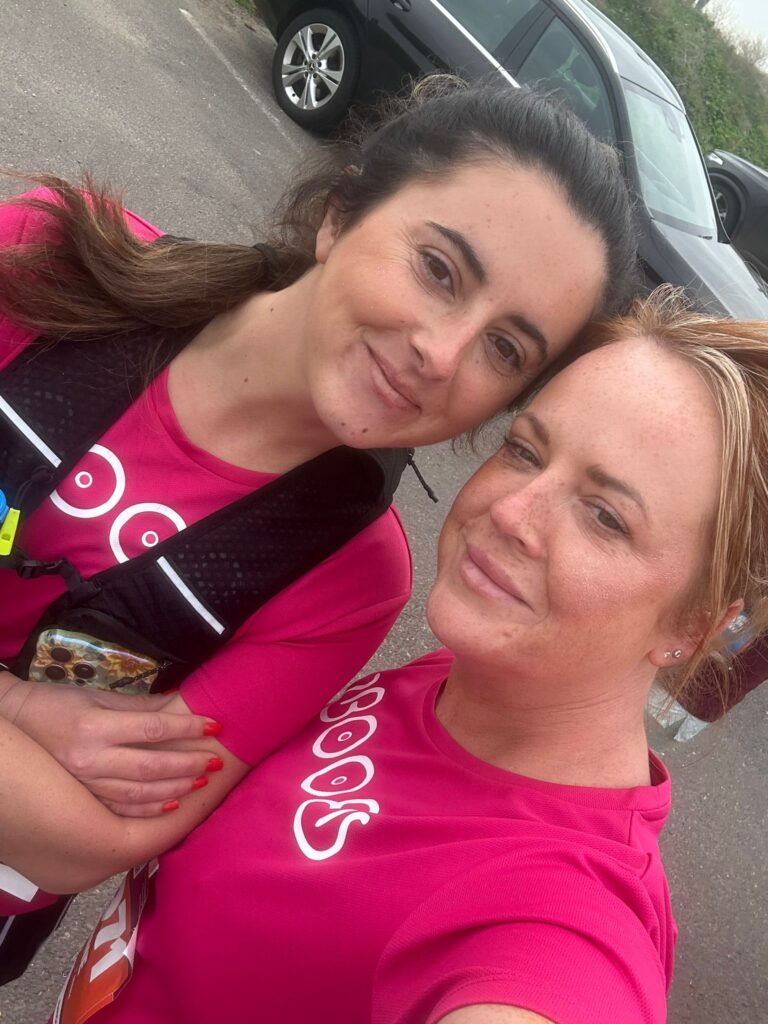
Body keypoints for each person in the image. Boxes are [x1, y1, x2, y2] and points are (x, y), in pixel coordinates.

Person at [0, 78, 637, 980]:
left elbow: (85, 837)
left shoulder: (348, 575)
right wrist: (17, 708)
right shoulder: (47, 259)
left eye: (506, 349)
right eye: (440, 269)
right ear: (340, 215)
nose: (443, 353)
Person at [4, 286, 767, 1024]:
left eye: (604, 516)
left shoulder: (561, 914)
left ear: (696, 625)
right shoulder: (472, 680)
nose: (508, 512)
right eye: (526, 451)